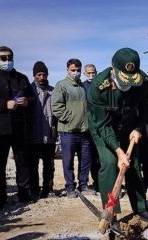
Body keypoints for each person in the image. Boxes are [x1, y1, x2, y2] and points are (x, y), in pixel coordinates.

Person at [87, 48, 148, 225]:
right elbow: (103, 125)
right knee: (110, 164)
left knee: (133, 165)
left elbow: (145, 109)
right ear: (113, 68)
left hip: (128, 127)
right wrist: (119, 152)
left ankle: (141, 207)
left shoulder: (142, 81)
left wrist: (138, 129)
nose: (127, 84)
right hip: (102, 128)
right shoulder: (98, 87)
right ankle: (111, 211)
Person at [0, 46, 35, 210]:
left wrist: (27, 102)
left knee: (23, 162)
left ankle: (24, 194)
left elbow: (32, 99)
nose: (7, 61)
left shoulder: (21, 78)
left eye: (10, 57)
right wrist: (4, 104)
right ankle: (0, 198)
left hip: (19, 128)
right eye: (3, 58)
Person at [51, 58, 94, 198]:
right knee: (68, 161)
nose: (76, 73)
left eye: (77, 70)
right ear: (67, 70)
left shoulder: (82, 86)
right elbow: (56, 106)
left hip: (84, 131)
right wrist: (69, 118)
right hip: (68, 131)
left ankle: (83, 184)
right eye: (73, 70)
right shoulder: (61, 85)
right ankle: (70, 187)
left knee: (85, 160)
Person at [29, 61, 57, 199]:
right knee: (33, 164)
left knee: (49, 164)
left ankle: (48, 189)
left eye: (44, 74)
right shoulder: (28, 90)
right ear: (34, 75)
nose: (41, 77)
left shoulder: (53, 90)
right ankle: (34, 190)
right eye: (39, 74)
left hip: (49, 134)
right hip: (33, 134)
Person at [82, 64, 100, 192]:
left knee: (102, 158)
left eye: (93, 73)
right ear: (85, 73)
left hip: (100, 126)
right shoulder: (82, 87)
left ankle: (102, 182)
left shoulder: (100, 85)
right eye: (88, 73)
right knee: (91, 157)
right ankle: (92, 182)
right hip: (88, 127)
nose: (91, 75)